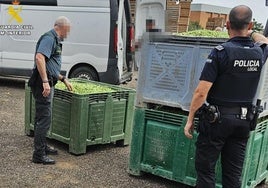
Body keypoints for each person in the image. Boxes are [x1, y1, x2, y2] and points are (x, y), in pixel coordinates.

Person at [184, 5, 268, 188]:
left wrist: (190, 119)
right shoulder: (258, 52)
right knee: (232, 175)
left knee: (206, 172)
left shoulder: (220, 52)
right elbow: (264, 40)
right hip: (243, 122)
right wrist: (251, 32)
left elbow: (201, 92)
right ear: (250, 24)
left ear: (227, 24)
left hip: (216, 122)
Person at [28, 16, 73, 165]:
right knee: (44, 119)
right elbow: (39, 58)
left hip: (47, 82)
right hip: (42, 84)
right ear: (60, 27)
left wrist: (62, 79)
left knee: (42, 117)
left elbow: (50, 65)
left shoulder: (55, 40)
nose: (68, 34)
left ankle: (42, 146)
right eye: (67, 30)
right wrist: (46, 82)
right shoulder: (49, 38)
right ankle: (38, 155)